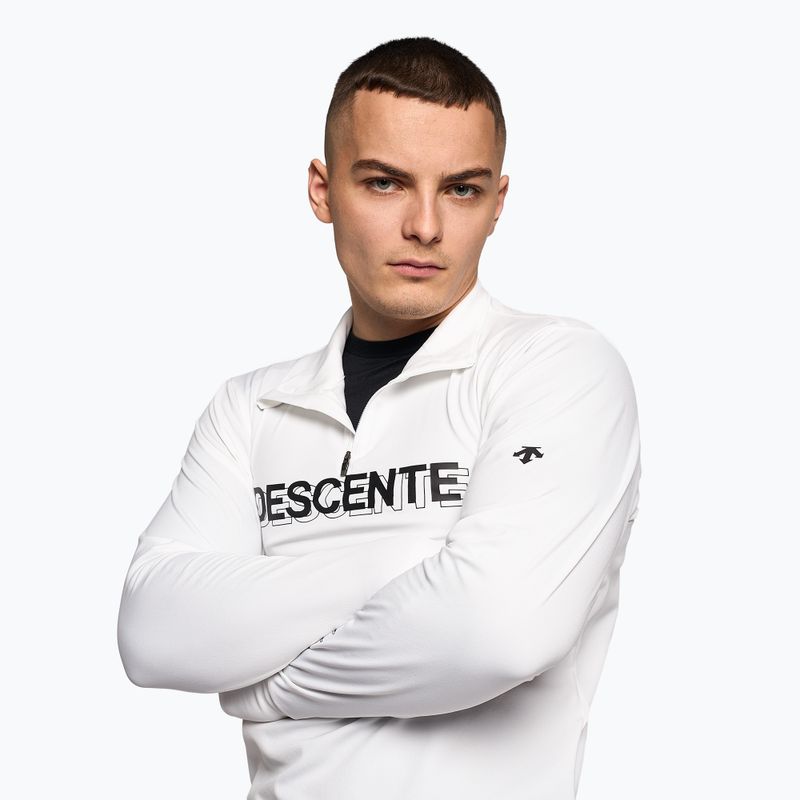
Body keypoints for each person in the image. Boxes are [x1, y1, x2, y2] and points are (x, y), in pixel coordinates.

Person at [117, 35, 642, 800]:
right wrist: (417, 559)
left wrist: (265, 689)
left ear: (497, 203)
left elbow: (495, 631)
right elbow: (153, 633)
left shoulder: (558, 369)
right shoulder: (251, 407)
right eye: (386, 183)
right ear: (323, 191)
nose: (425, 226)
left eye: (460, 189)